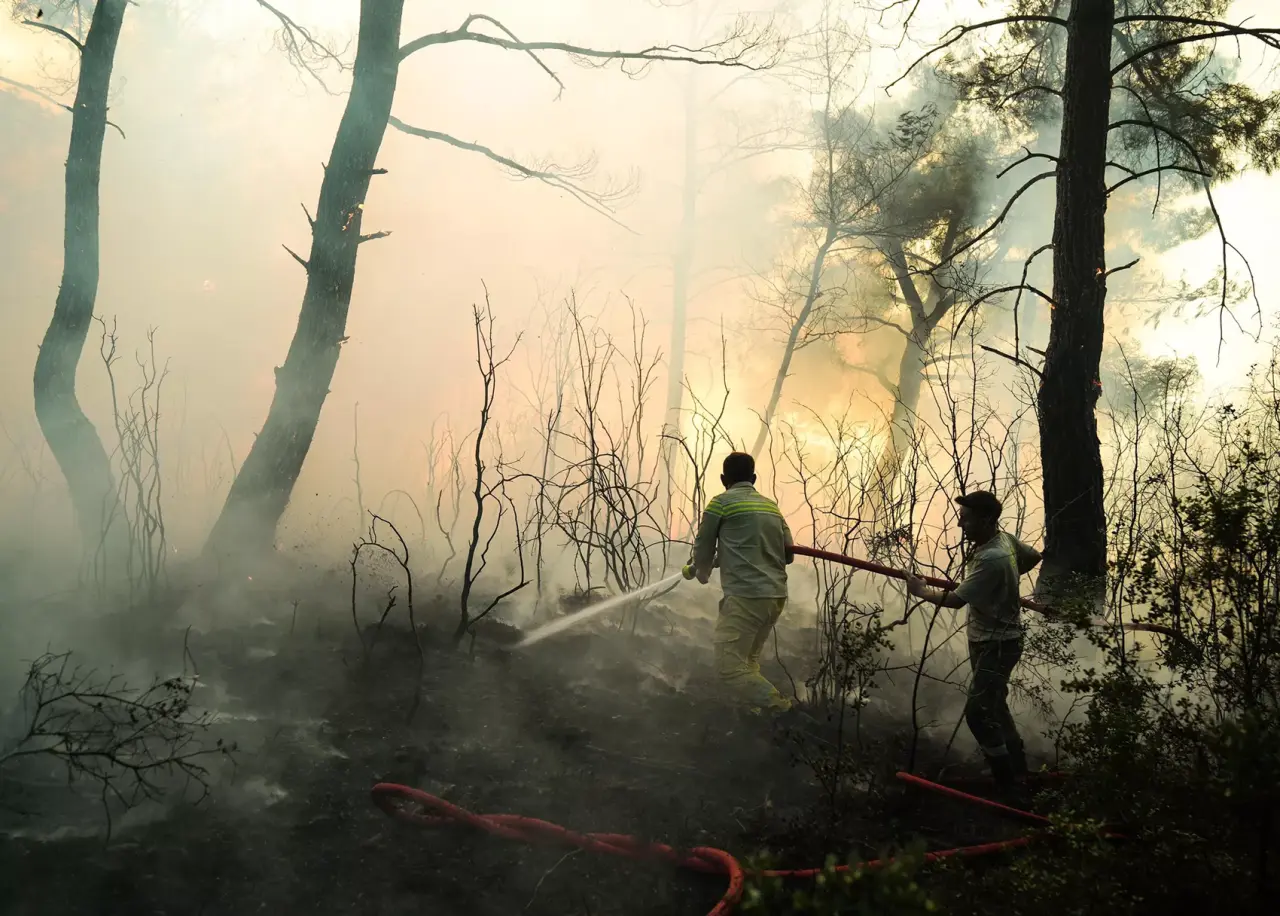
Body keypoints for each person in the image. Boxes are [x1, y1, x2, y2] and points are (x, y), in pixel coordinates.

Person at [904, 491, 1042, 789]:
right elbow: (1031, 558)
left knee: (978, 714)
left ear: (986, 519)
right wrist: (1004, 584)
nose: (960, 524)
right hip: (990, 640)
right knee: (995, 705)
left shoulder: (992, 558)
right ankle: (1018, 770)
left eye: (966, 519)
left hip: (997, 644)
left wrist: (921, 591)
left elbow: (954, 600)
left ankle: (1007, 783)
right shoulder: (1002, 540)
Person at [685, 451, 795, 715]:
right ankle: (759, 715)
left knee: (729, 668)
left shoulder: (720, 504)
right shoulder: (771, 507)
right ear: (754, 478)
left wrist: (702, 569)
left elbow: (703, 546)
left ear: (723, 479)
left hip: (747, 597)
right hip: (775, 597)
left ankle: (781, 709)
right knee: (748, 661)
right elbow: (788, 554)